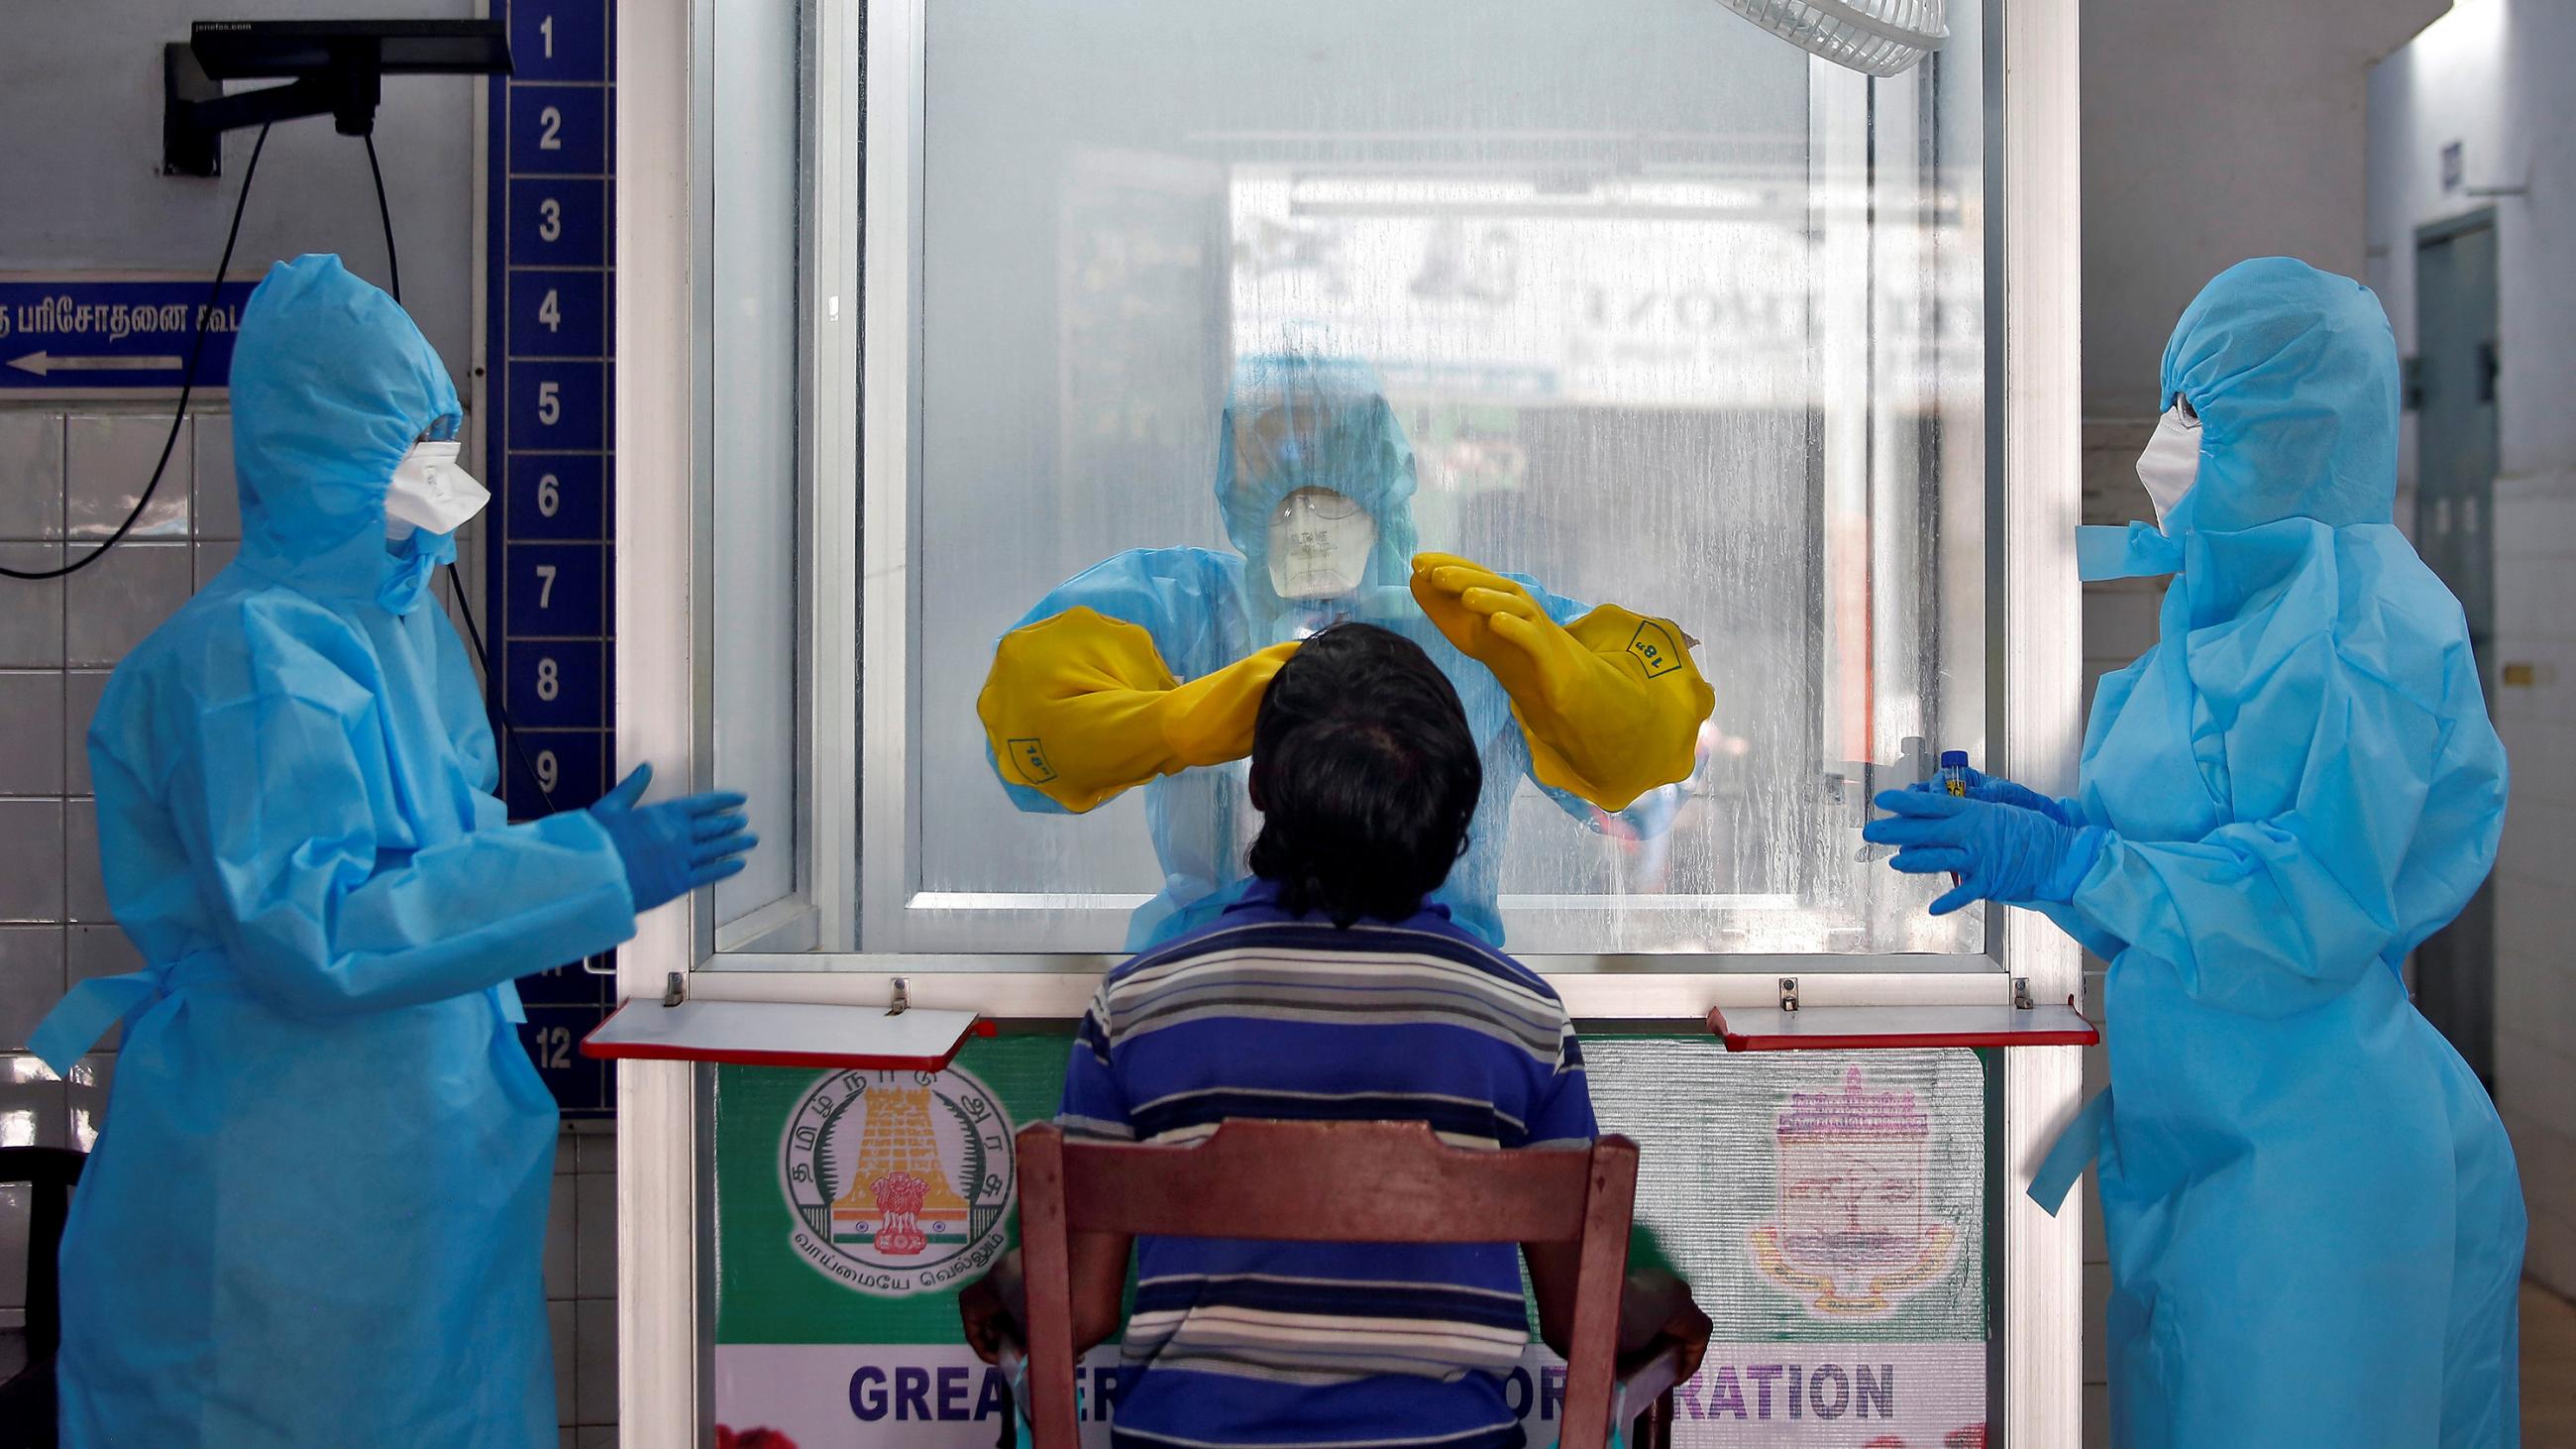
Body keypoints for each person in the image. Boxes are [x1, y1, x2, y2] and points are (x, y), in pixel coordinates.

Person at [28, 254, 757, 1447]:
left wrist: (565, 852)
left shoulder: (391, 636)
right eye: (406, 449)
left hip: (424, 1175)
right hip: (282, 1188)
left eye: (437, 442)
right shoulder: (251, 655)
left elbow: (434, 849)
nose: (435, 483)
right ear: (317, 454)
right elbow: (311, 931)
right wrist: (586, 870)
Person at [1864, 258, 2520, 1446]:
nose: (2164, 442)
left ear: (2290, 434)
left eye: (2196, 412)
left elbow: (2305, 905)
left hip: (2321, 1176)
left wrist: (2071, 862)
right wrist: (2065, 840)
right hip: (2200, 1155)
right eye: (2175, 403)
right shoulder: (2212, 610)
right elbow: (2172, 890)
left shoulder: (2374, 625)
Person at [961, 622, 1710, 1445]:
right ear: (1458, 809)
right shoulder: (1522, 1019)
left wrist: (1001, 1284)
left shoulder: (1139, 1006)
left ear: (1258, 786)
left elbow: (1077, 1308)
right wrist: (1664, 1304)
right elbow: (1584, 1321)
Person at [976, 352, 1714, 949]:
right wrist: (1168, 724)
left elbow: (1653, 787)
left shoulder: (1481, 625)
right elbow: (1027, 730)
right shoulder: (1181, 608)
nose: (1307, 513)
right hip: (1279, 996)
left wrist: (1571, 686)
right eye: (1273, 462)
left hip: (1329, 1004)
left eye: (1334, 460)